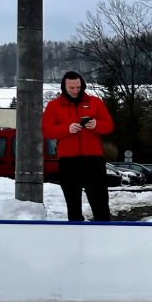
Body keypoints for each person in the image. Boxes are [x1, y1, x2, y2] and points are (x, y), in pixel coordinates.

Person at [42, 71, 114, 221]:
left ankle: (104, 230)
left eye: (78, 87)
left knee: (100, 202)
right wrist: (66, 129)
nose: (76, 90)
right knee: (73, 203)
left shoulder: (95, 102)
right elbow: (46, 130)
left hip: (94, 159)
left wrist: (96, 125)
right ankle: (75, 231)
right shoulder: (54, 105)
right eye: (72, 88)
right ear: (64, 87)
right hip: (68, 161)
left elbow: (109, 126)